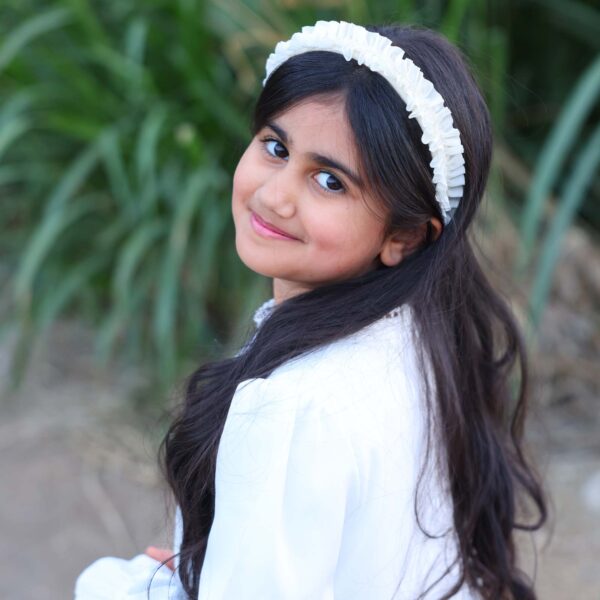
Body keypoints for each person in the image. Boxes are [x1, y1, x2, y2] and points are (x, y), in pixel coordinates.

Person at [75, 20, 546, 600]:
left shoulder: (292, 408)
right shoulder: (421, 336)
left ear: (404, 236)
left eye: (329, 181)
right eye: (275, 148)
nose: (275, 195)